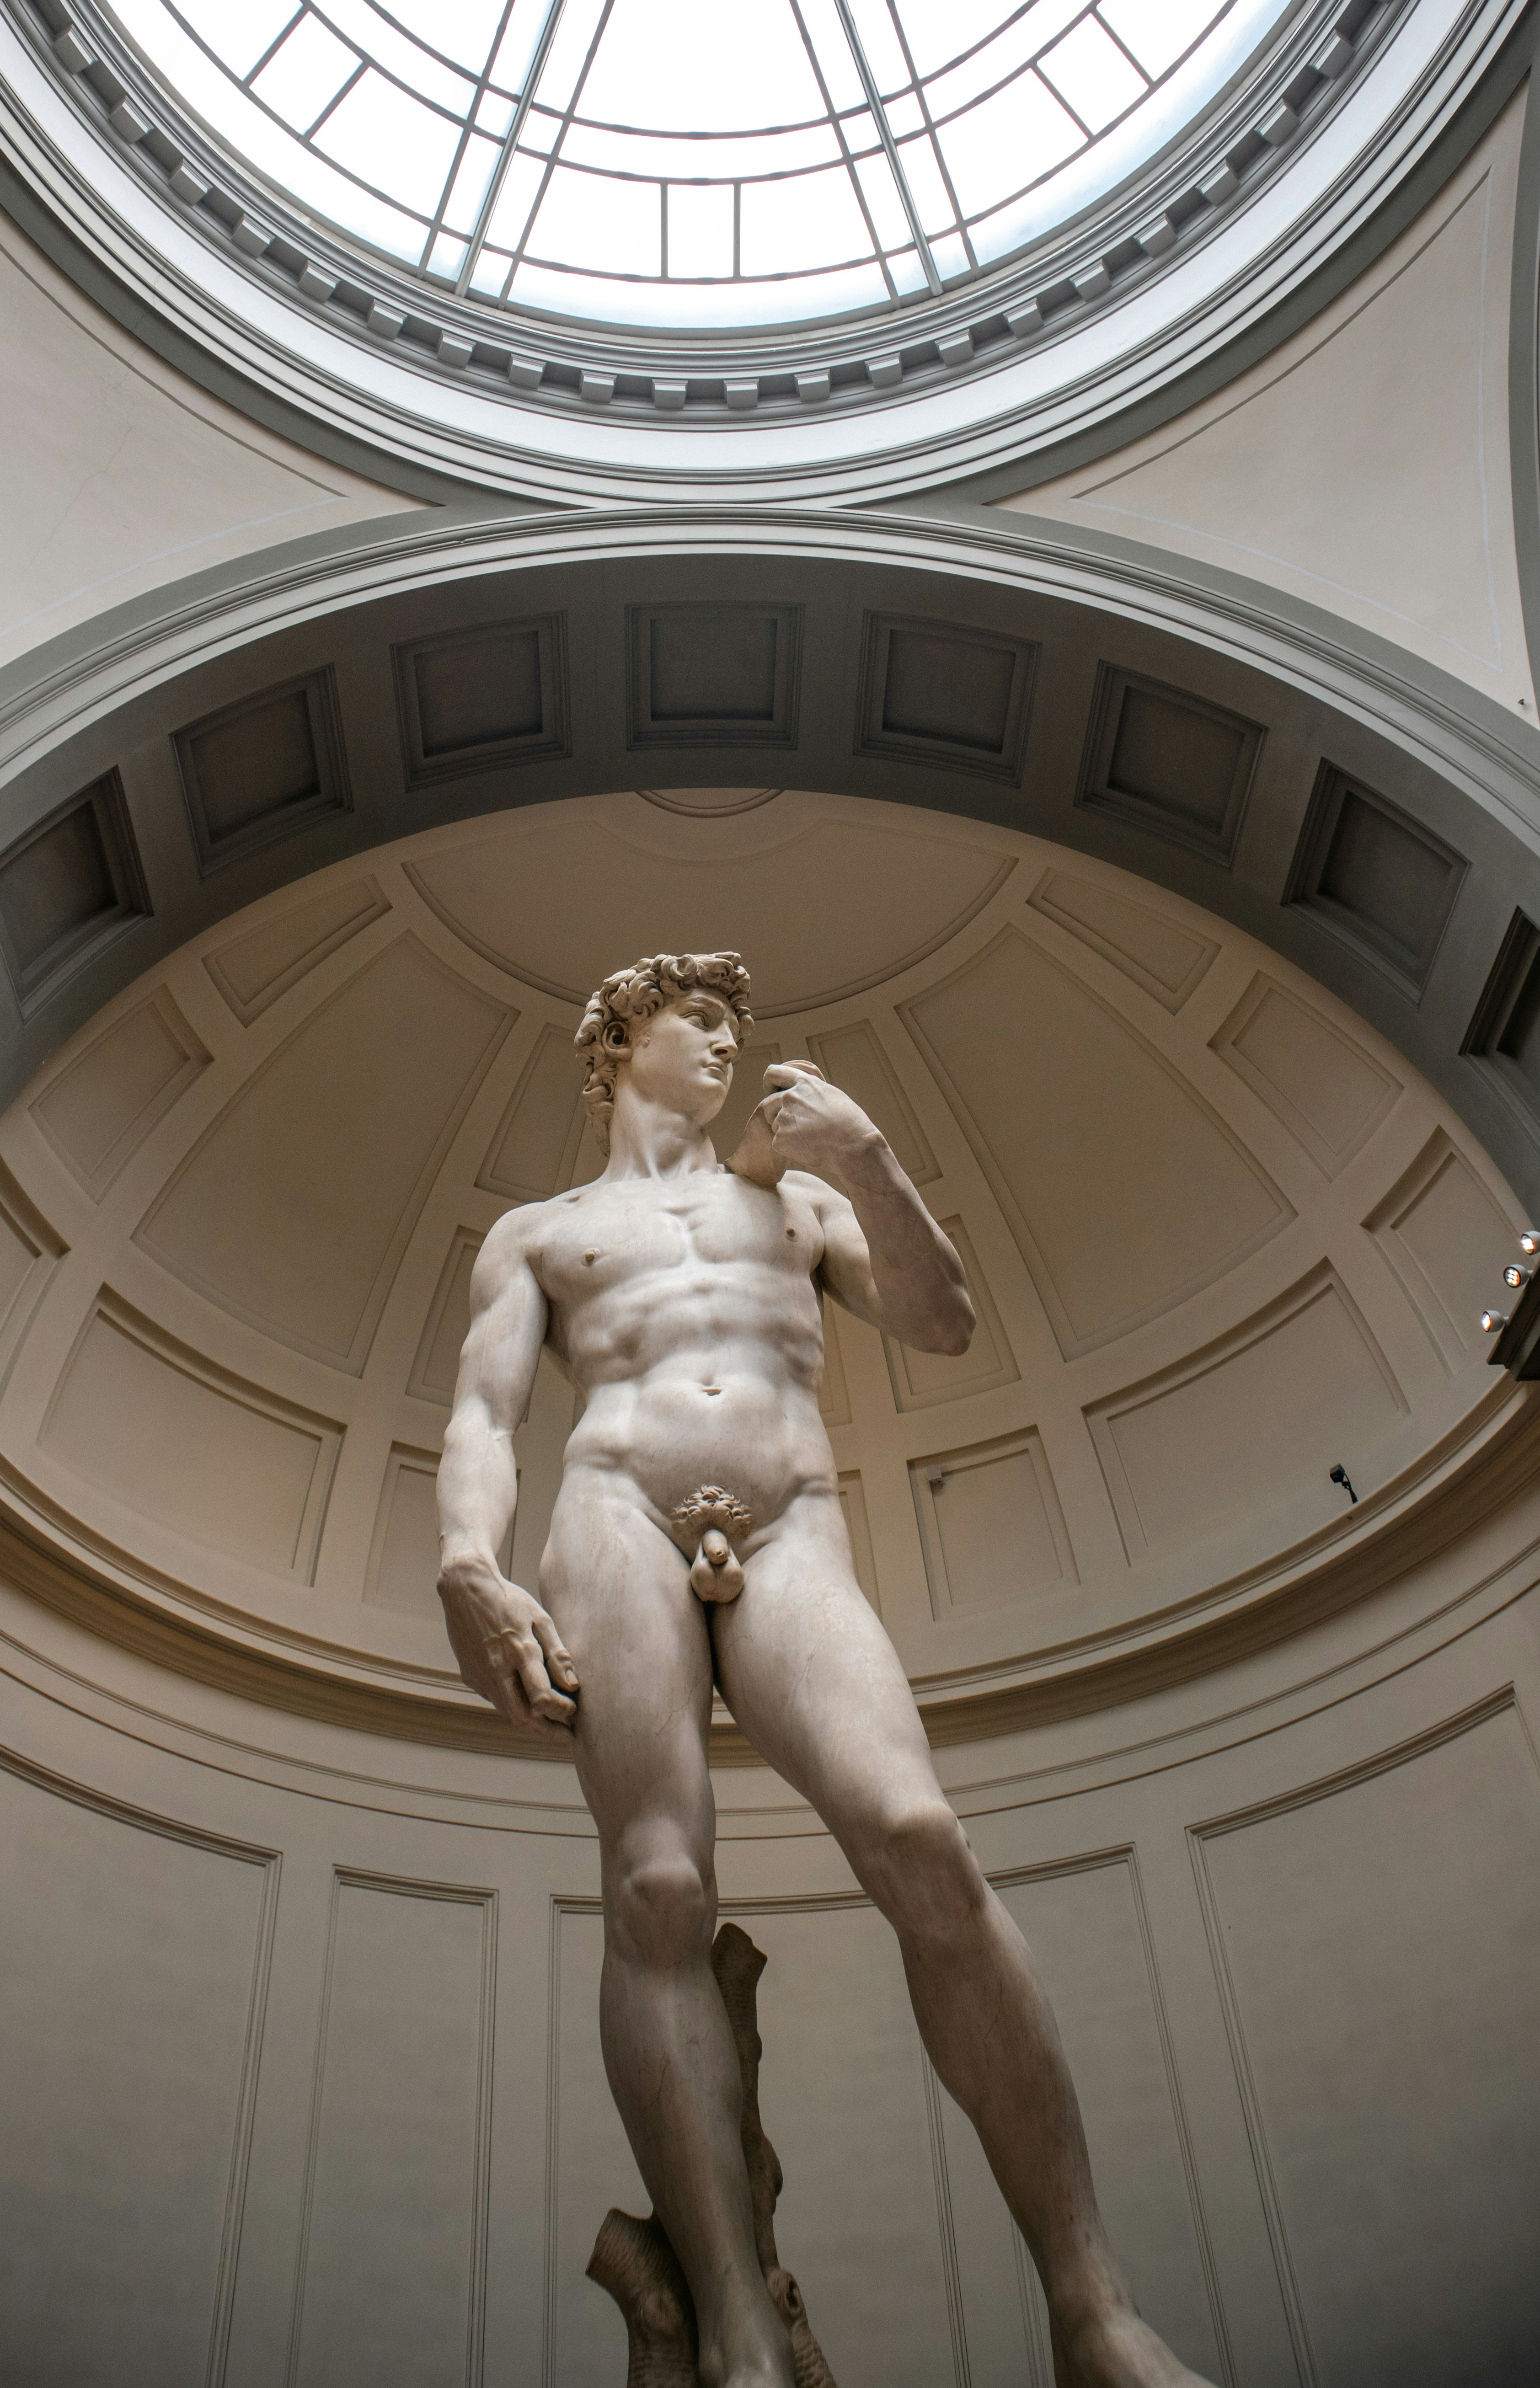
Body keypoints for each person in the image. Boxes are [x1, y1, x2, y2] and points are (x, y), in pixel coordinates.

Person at [437, 952, 1212, 2388]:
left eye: (739, 1023)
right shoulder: (541, 1231)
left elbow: (943, 1319)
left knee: (922, 1840)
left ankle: (1093, 2311)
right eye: (701, 1020)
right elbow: (485, 1414)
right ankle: (736, 2330)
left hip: (791, 1519)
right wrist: (468, 1565)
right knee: (658, 1889)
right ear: (620, 1045)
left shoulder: (797, 1201)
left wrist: (865, 1151)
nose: (729, 1043)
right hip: (615, 1510)